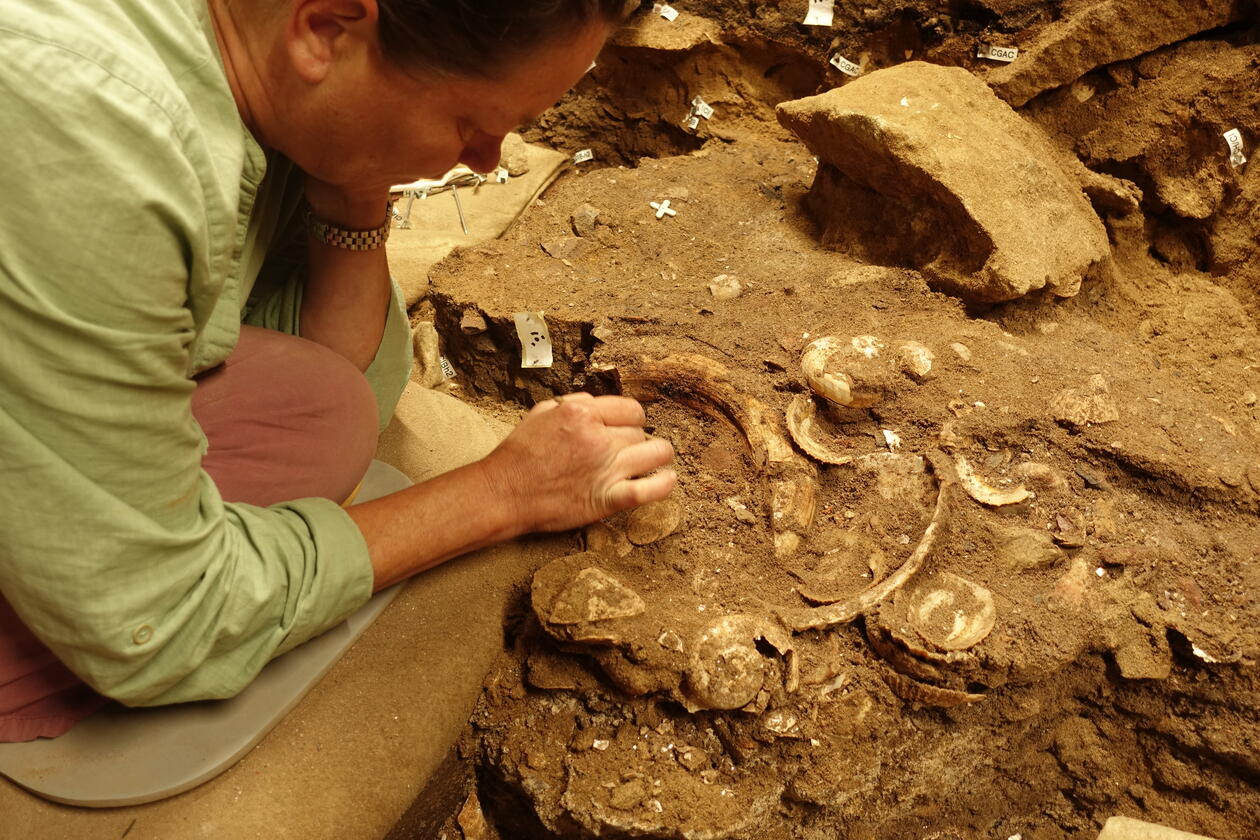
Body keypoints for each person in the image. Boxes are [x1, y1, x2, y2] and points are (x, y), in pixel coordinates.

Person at [0, 0, 675, 742]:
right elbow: (151, 620)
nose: (486, 161)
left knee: (321, 411)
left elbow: (341, 369)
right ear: (323, 29)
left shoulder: (260, 72)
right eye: (470, 125)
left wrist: (360, 185)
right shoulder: (97, 146)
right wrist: (503, 492)